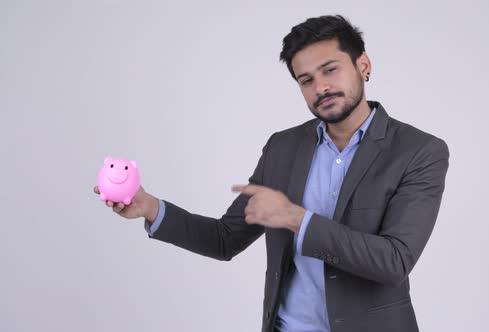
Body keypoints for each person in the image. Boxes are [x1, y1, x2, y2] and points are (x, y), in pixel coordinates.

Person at [94, 15, 449, 332]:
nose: (320, 88)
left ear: (364, 65)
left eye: (331, 70)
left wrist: (296, 218)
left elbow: (394, 261)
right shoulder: (283, 147)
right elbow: (224, 239)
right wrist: (150, 207)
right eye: (305, 80)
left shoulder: (418, 151)